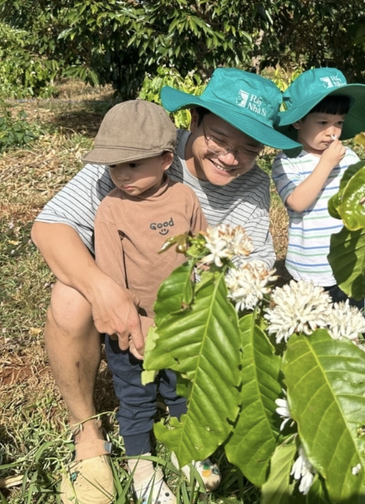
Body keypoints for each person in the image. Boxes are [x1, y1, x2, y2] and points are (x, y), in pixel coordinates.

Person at [31, 69, 301, 504]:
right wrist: (108, 294)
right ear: (193, 121)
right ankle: (87, 435)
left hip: (188, 308)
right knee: (70, 298)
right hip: (127, 289)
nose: (232, 158)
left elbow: (255, 264)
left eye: (250, 147)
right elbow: (50, 227)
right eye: (220, 139)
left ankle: (188, 420)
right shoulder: (142, 149)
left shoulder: (252, 182)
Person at [83, 100, 208, 503]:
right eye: (114, 166)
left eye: (133, 165)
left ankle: (190, 452)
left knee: (181, 391)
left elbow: (201, 252)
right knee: (135, 400)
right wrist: (134, 325)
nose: (122, 175)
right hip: (131, 327)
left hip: (182, 323)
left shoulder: (186, 199)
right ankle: (143, 471)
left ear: (166, 160)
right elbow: (111, 279)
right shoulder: (112, 209)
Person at [271, 68, 365, 304]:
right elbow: (297, 202)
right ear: (298, 121)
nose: (332, 133)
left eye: (339, 123)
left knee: (351, 328)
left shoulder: (350, 158)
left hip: (348, 265)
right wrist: (325, 164)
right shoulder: (286, 162)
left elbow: (361, 199)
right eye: (322, 122)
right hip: (309, 270)